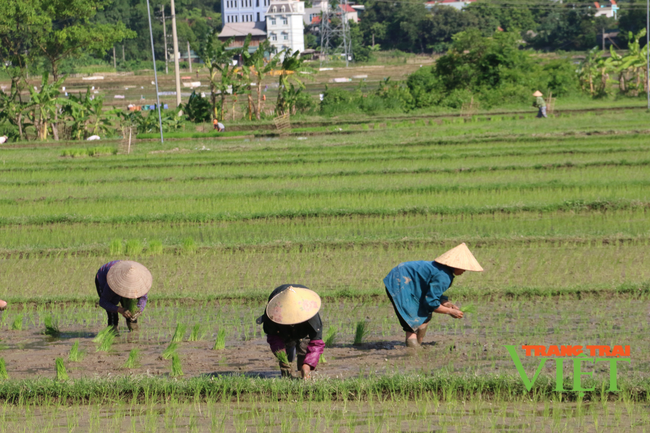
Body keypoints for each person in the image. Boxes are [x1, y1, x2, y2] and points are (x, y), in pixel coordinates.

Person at [383, 243, 483, 348]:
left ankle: (418, 345)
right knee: (411, 323)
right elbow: (431, 302)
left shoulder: (442, 271)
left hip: (408, 281)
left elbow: (432, 293)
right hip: (399, 281)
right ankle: (412, 349)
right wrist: (450, 311)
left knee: (425, 316)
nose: (464, 271)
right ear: (455, 265)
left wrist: (447, 303)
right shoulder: (443, 276)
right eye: (463, 268)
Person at [257, 284, 325, 379]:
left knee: (304, 350)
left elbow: (316, 343)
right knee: (286, 357)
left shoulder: (310, 314)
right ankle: (287, 377)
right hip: (282, 331)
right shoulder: (273, 313)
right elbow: (274, 337)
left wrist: (308, 365)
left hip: (303, 330)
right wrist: (282, 357)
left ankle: (304, 374)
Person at [95, 260, 152, 332]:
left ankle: (134, 332)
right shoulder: (112, 283)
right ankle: (113, 332)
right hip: (105, 277)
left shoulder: (141, 281)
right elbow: (103, 302)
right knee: (112, 312)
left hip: (125, 274)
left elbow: (143, 297)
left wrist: (139, 310)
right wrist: (120, 309)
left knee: (132, 308)